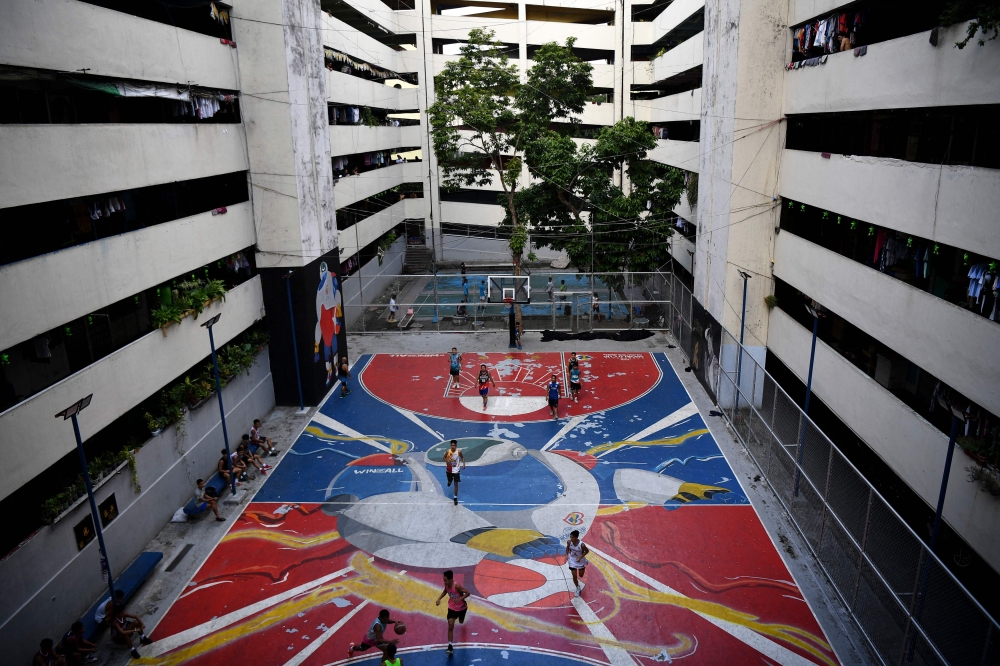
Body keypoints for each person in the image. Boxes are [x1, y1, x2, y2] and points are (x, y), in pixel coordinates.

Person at [436, 569, 470, 655]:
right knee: (450, 625)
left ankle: (461, 618)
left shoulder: (457, 586)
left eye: (445, 580)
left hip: (462, 608)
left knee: (461, 622)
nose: (444, 582)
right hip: (452, 608)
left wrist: (460, 599)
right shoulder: (447, 585)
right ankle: (450, 646)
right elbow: (445, 591)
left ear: (451, 580)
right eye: (444, 580)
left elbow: (468, 593)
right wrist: (439, 599)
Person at [566, 529, 590, 597]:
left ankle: (584, 563)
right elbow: (567, 548)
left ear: (576, 537)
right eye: (570, 537)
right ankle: (578, 587)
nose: (571, 538)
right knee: (574, 576)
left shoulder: (582, 545)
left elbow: (587, 551)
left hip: (580, 560)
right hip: (572, 560)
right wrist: (567, 555)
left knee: (581, 575)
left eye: (572, 537)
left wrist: (580, 557)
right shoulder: (569, 542)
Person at [444, 439, 465, 505]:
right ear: (450, 445)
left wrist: (464, 464)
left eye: (454, 445)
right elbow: (444, 457)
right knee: (450, 482)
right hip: (449, 470)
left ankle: (455, 498)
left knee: (456, 484)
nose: (453, 446)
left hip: (456, 470)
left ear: (456, 446)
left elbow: (462, 457)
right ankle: (449, 482)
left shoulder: (458, 452)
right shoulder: (448, 452)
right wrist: (447, 461)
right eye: (451, 445)